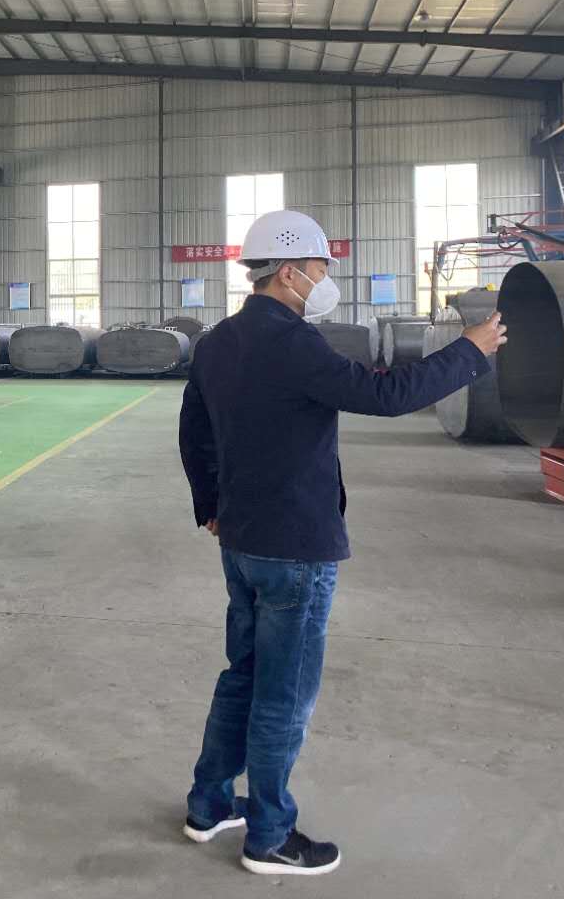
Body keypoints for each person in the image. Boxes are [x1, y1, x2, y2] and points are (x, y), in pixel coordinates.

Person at [178, 209, 507, 876]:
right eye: (320, 268)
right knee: (284, 694)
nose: (326, 279)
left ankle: (208, 805)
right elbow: (386, 396)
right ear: (289, 271)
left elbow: (194, 428)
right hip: (296, 547)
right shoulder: (295, 344)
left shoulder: (218, 342)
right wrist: (470, 351)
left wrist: (210, 503)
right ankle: (270, 836)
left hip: (240, 541)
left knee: (243, 676)